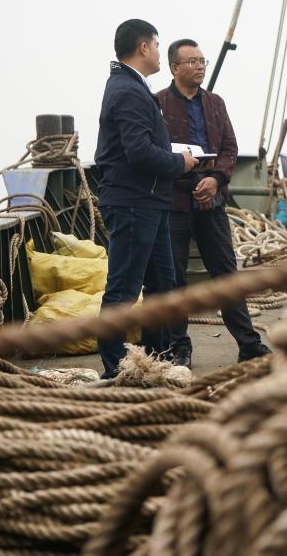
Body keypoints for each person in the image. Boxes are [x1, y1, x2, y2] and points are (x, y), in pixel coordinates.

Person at [94, 19, 199, 378]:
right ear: (143, 47)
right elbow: (138, 151)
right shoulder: (128, 90)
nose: (158, 51)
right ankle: (115, 369)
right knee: (123, 290)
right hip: (133, 203)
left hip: (149, 203)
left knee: (161, 285)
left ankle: (155, 360)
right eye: (156, 45)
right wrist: (180, 162)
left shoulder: (133, 87)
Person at [156, 38, 271, 367]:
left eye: (202, 61)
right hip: (175, 203)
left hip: (212, 200)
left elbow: (229, 148)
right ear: (175, 68)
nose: (200, 66)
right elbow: (155, 153)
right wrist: (187, 177)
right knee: (174, 279)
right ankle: (179, 348)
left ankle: (248, 344)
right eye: (192, 61)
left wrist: (216, 180)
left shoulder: (215, 103)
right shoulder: (158, 103)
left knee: (226, 274)